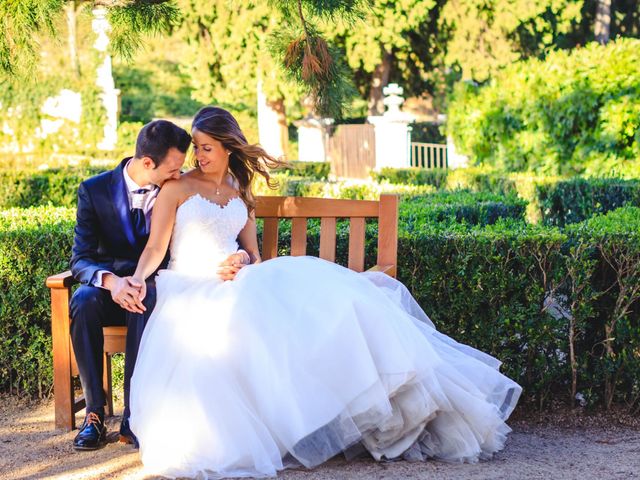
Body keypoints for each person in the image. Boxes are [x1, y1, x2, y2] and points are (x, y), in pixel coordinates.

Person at [128, 106, 522, 478]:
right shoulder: (177, 189)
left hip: (237, 281)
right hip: (192, 286)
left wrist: (242, 262)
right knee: (242, 323)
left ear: (229, 147)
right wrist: (136, 278)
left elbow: (253, 253)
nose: (199, 155)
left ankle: (376, 406)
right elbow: (155, 249)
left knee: (342, 298)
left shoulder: (239, 190)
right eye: (197, 147)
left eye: (207, 147)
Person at [69, 120, 192, 450]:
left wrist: (137, 283)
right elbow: (80, 259)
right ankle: (94, 413)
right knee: (83, 300)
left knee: (144, 297)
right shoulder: (94, 191)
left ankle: (133, 415)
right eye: (174, 169)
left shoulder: (177, 191)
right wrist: (111, 282)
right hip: (110, 290)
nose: (179, 175)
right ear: (148, 163)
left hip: (157, 290)